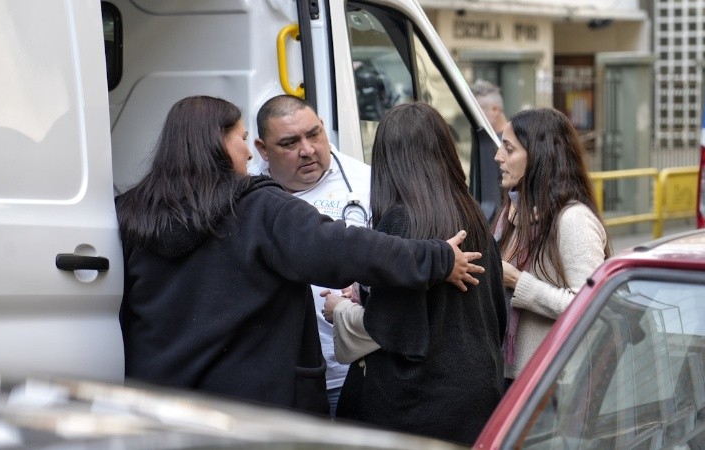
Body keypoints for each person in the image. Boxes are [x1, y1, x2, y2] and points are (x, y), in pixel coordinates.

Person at [115, 95, 485, 416]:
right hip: (254, 415)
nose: (246, 152)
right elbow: (344, 249)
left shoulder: (130, 214)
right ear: (216, 145)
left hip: (159, 409)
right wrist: (437, 258)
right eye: (240, 138)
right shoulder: (259, 207)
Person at [322, 102, 506, 445]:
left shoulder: (401, 220)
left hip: (418, 403)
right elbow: (494, 310)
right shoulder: (472, 212)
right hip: (478, 391)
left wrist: (341, 309)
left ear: (388, 160)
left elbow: (394, 327)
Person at [252, 94, 371, 417]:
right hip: (280, 381)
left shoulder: (366, 182)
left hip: (352, 373)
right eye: (289, 143)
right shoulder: (247, 191)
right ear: (263, 149)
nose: (307, 150)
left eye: (314, 134)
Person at [493, 107, 611, 385]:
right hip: (514, 375)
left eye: (509, 149)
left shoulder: (573, 220)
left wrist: (518, 282)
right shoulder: (514, 213)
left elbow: (590, 306)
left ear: (539, 156)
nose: (498, 156)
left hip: (553, 382)